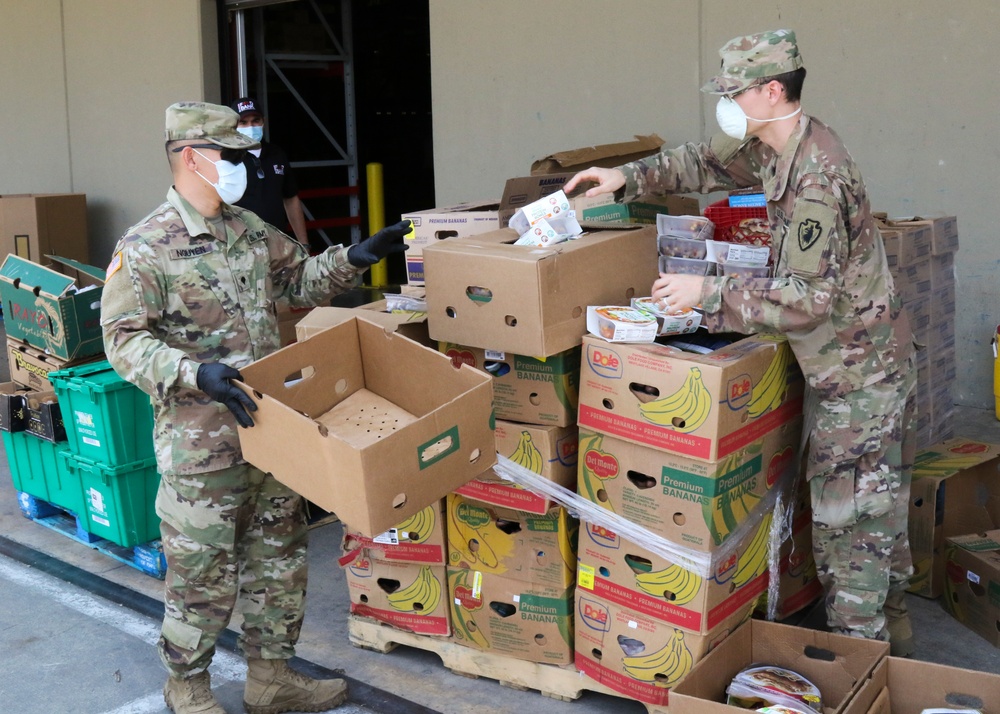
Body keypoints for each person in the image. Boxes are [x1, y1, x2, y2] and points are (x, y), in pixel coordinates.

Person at [565, 29, 917, 655]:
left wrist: (703, 292)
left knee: (849, 519)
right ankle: (894, 630)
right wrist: (622, 177)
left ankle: (861, 659)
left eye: (733, 91)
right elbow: (701, 161)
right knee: (875, 498)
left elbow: (806, 302)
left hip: (860, 374)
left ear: (772, 89)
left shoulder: (817, 176)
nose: (725, 103)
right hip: (849, 363)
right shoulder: (772, 146)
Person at [99, 101, 409, 714]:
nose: (244, 165)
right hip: (201, 446)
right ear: (193, 157)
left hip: (269, 430)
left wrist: (358, 256)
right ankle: (187, 688)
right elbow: (123, 340)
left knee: (279, 562)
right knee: (201, 576)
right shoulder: (146, 246)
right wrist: (194, 373)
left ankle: (272, 680)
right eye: (232, 155)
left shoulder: (247, 229)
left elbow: (298, 281)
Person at [231, 96, 309, 244]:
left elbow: (291, 199)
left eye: (255, 121)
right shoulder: (227, 159)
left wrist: (303, 243)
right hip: (242, 247)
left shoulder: (277, 154)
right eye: (243, 122)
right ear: (234, 126)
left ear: (263, 122)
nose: (251, 127)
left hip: (277, 243)